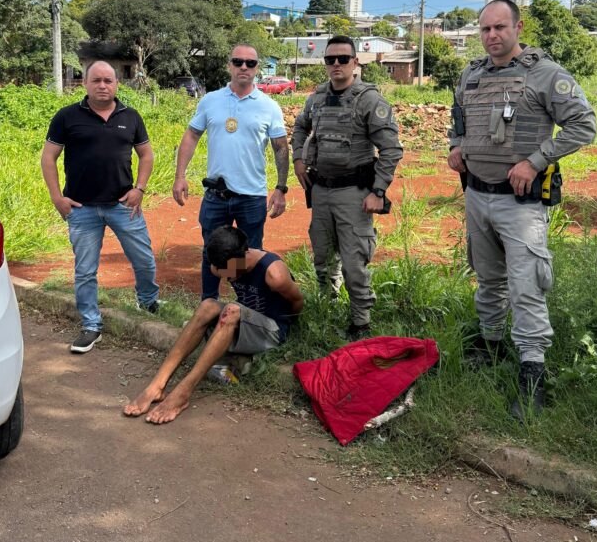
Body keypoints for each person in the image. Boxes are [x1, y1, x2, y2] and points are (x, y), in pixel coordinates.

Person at [447, 0, 597, 419]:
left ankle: (533, 372)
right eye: (485, 29)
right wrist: (455, 145)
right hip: (477, 195)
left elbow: (584, 124)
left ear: (518, 27)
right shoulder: (471, 74)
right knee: (488, 278)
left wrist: (535, 161)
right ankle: (491, 344)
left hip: (520, 203)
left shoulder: (545, 74)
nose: (492, 35)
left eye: (500, 27)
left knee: (526, 286)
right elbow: (457, 116)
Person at [123, 225, 304, 424]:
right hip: (243, 323)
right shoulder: (221, 265)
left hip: (272, 330)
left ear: (244, 254)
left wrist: (292, 332)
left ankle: (183, 392)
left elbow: (297, 302)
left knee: (232, 310)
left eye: (232, 271)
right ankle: (156, 386)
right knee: (207, 306)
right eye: (223, 271)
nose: (227, 276)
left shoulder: (274, 274)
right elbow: (222, 281)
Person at [41, 61, 161, 354]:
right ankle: (91, 325)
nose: (103, 85)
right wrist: (57, 198)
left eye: (108, 80)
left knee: (144, 259)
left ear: (117, 84)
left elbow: (146, 155)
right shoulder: (67, 117)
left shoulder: (130, 116)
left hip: (123, 205)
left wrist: (139, 189)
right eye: (96, 80)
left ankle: (147, 302)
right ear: (85, 84)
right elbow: (48, 158)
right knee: (85, 271)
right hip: (81, 209)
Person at [291, 35, 403, 341]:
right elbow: (300, 126)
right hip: (321, 190)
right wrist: (298, 159)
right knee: (323, 256)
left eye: (343, 59)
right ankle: (326, 309)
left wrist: (378, 191)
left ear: (355, 62)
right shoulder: (316, 98)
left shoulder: (369, 99)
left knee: (354, 262)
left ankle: (360, 322)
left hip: (354, 194)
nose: (336, 64)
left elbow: (391, 149)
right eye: (331, 59)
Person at [173, 44, 290, 300]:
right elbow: (192, 135)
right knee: (212, 252)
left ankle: (249, 306)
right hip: (216, 196)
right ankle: (209, 304)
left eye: (250, 63)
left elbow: (280, 147)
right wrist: (180, 176)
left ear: (257, 68)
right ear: (229, 65)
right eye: (238, 62)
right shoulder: (210, 100)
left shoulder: (269, 106)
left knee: (250, 255)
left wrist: (281, 188)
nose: (244, 67)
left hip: (251, 197)